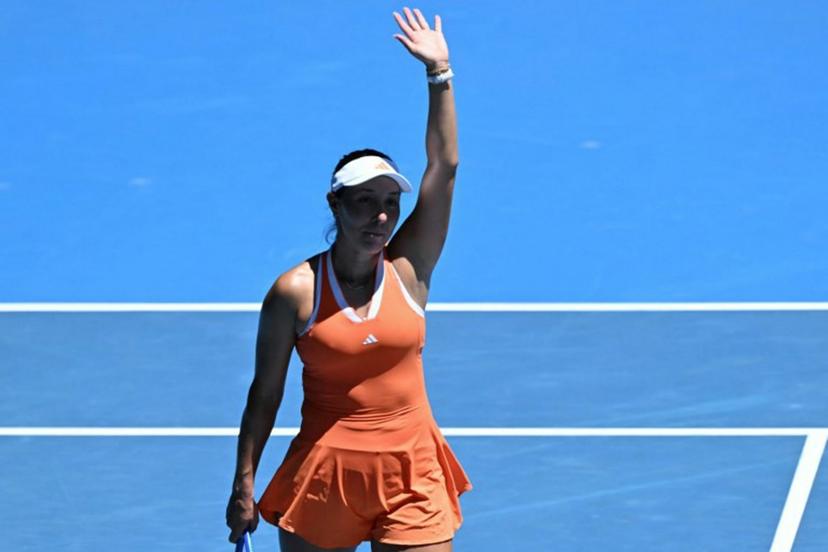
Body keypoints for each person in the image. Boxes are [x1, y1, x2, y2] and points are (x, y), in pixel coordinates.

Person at [225, 7, 471, 551]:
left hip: (413, 478)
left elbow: (444, 167)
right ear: (335, 205)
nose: (380, 217)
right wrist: (244, 484)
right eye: (364, 203)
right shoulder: (295, 292)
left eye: (389, 204)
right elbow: (265, 393)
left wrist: (440, 74)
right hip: (324, 478)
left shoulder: (409, 270)